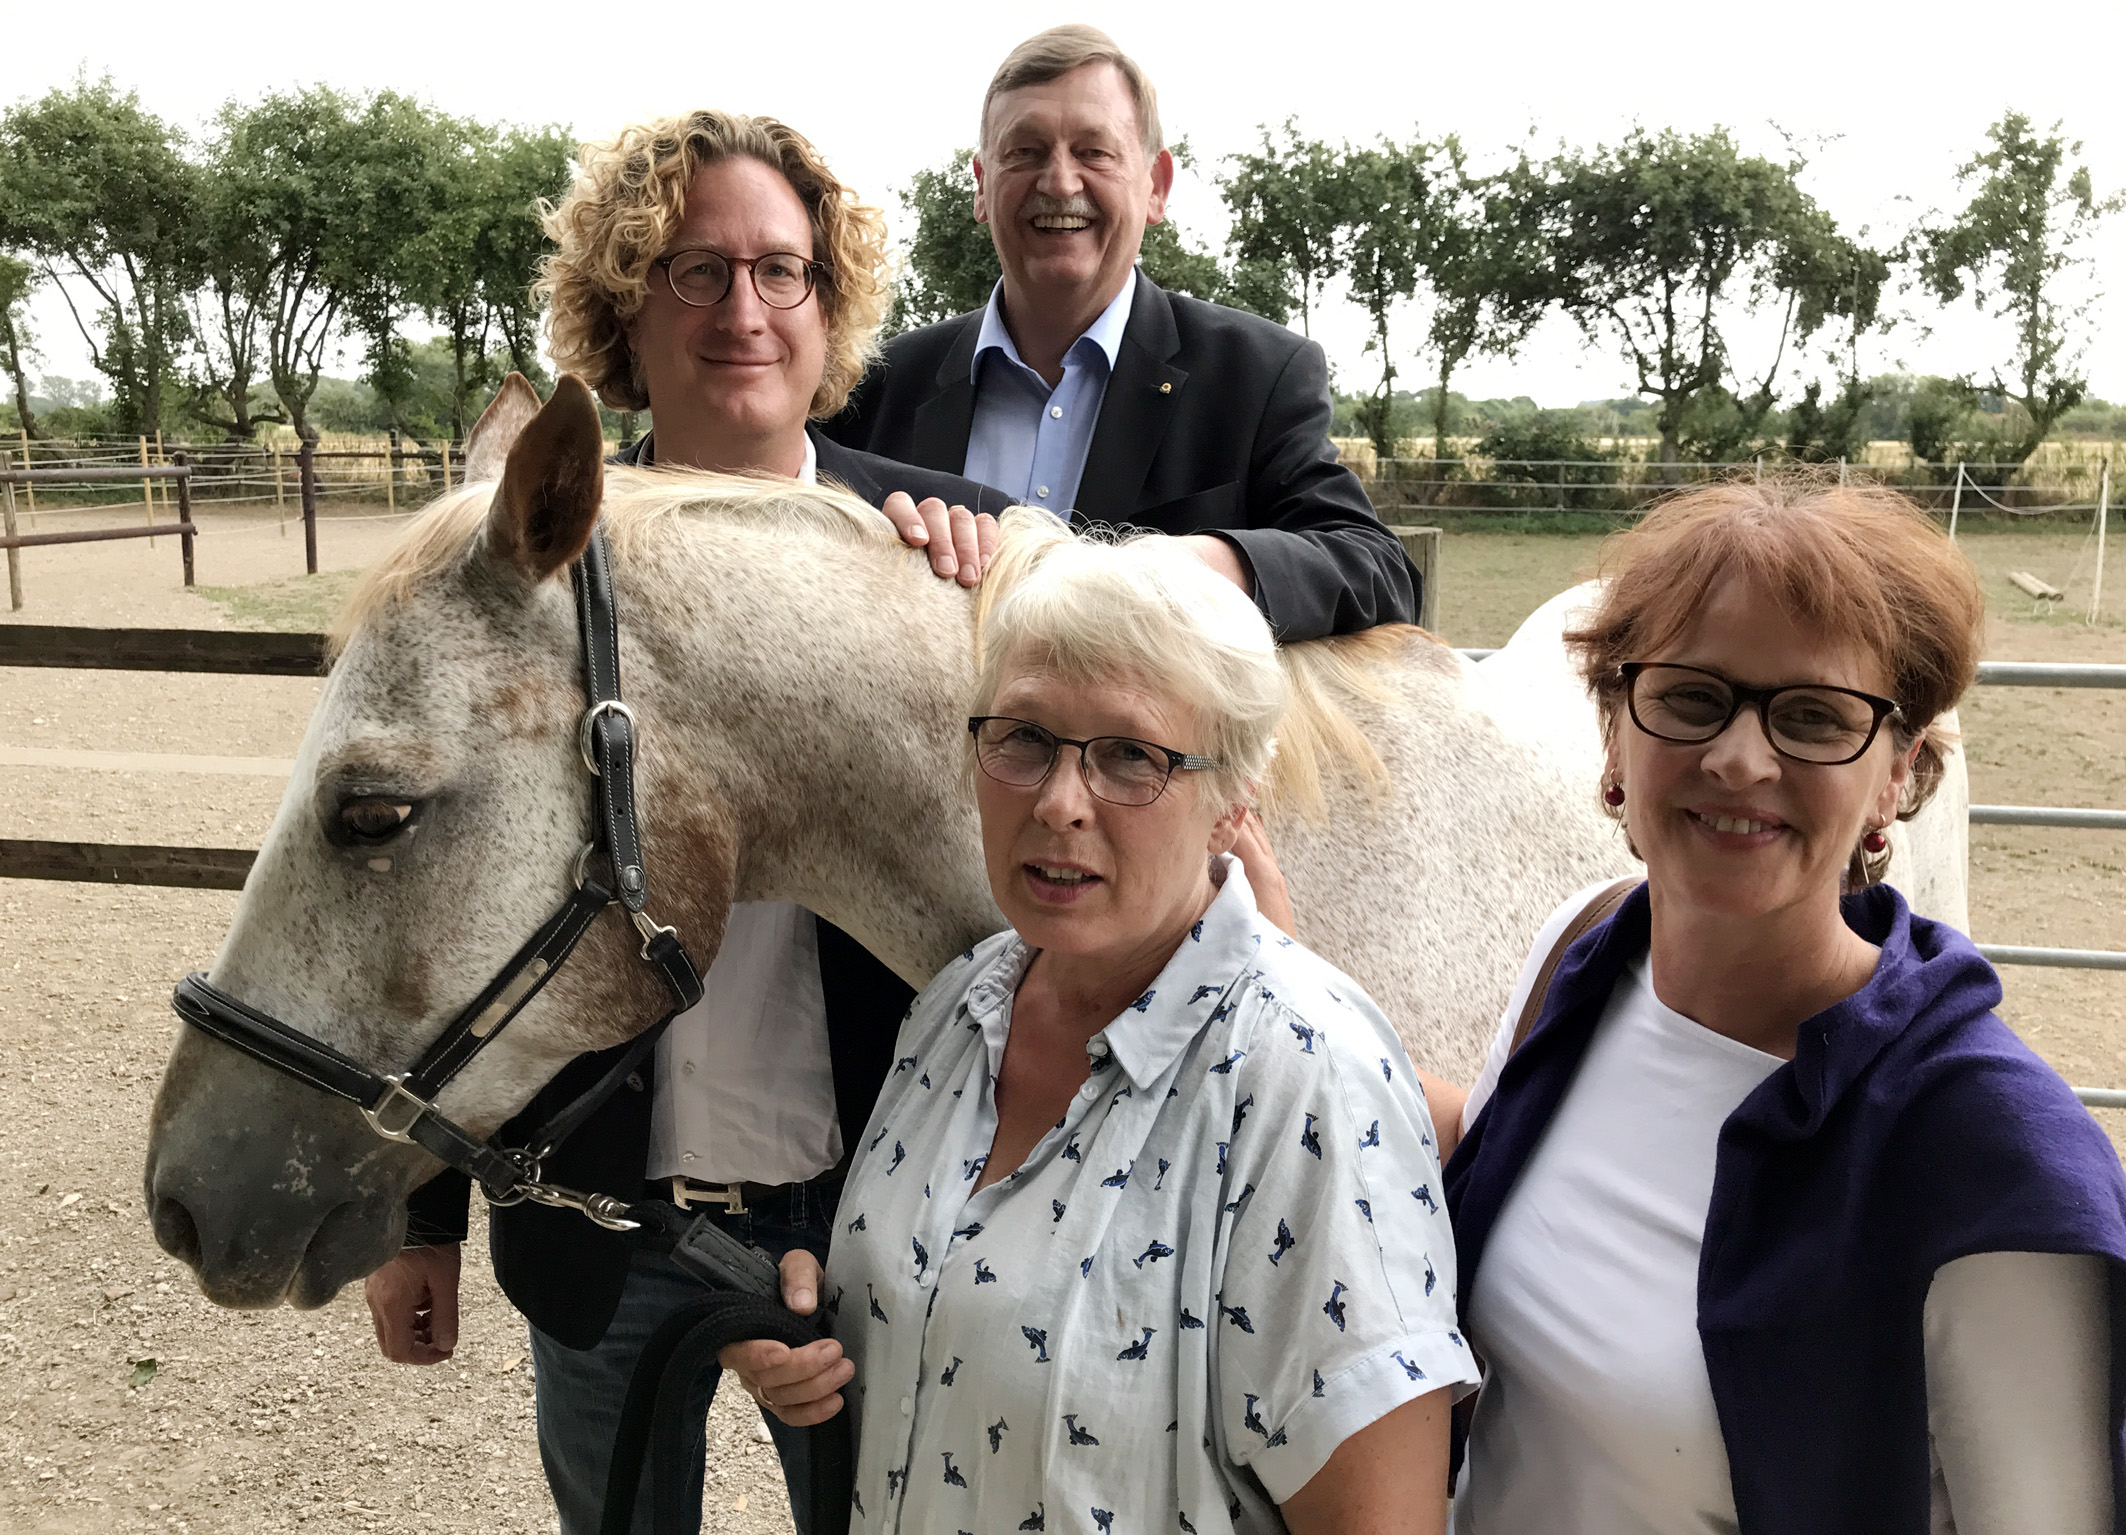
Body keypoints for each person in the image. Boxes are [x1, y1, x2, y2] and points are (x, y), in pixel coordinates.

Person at [362, 109, 1011, 1535]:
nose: (742, 309)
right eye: (692, 270)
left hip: (864, 1221)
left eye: (781, 271)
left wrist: (995, 587)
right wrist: (418, 1212)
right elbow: (433, 899)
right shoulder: (533, 561)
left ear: (828, 307)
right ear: (620, 306)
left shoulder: (953, 551)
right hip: (599, 1215)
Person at [720, 514, 1476, 1533]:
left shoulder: (1308, 1081)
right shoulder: (954, 1007)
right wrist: (818, 1319)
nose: (1060, 801)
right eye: (1024, 739)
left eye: (1130, 756)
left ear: (1231, 799)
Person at [1443, 475, 2126, 1533]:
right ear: (1614, 733)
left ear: (1896, 774)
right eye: (1688, 695)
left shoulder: (1993, 1158)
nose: (1737, 757)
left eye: (1811, 715)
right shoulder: (1584, 949)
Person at [825, 24, 1419, 643]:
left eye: (1094, 151)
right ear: (981, 186)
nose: (1059, 181)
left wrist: (1206, 566)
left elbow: (1379, 570)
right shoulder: (871, 388)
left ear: (1156, 186)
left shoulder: (1258, 376)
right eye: (1023, 151)